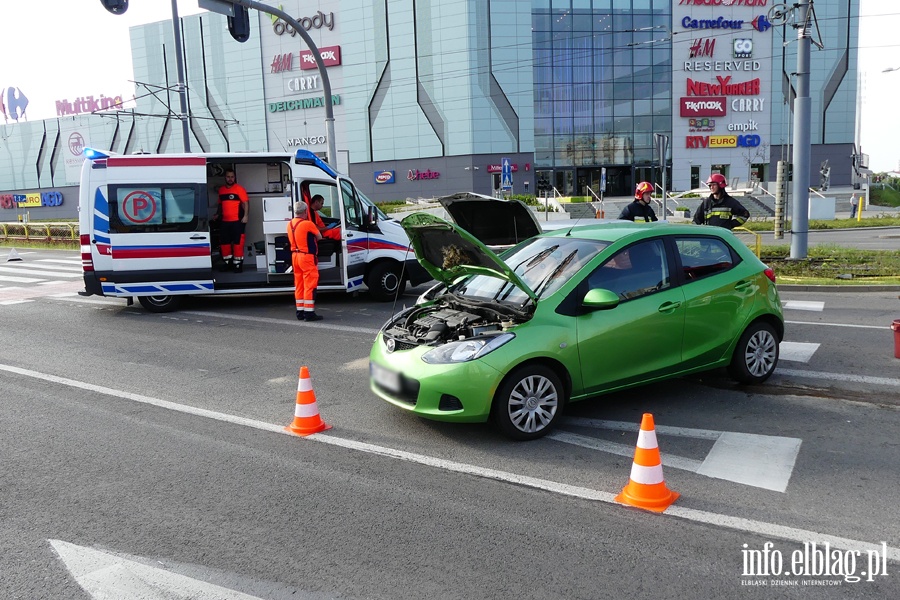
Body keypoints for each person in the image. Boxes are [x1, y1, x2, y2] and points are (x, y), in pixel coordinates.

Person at [287, 201, 323, 321]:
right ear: (305, 211)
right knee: (310, 285)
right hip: (306, 257)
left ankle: (300, 312)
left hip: (295, 257)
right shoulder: (308, 224)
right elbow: (319, 237)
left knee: (299, 285)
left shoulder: (290, 224)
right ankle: (309, 313)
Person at [216, 169, 249, 272]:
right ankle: (227, 264)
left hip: (237, 221)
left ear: (235, 178)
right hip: (225, 222)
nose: (230, 179)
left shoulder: (239, 189)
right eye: (228, 177)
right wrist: (217, 214)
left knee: (238, 244)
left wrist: (246, 216)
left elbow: (246, 203)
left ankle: (238, 266)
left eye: (232, 177)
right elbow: (220, 204)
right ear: (225, 178)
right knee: (224, 244)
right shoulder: (221, 190)